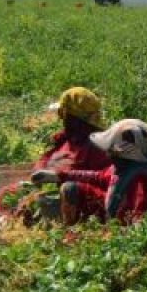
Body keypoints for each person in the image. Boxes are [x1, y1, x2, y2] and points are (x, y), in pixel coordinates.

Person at [32, 118, 147, 224]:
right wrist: (58, 175)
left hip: (127, 230)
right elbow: (98, 176)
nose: (108, 155)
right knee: (70, 188)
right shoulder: (123, 169)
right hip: (116, 215)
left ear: (128, 155)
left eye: (113, 152)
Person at [33, 86, 112, 224]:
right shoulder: (67, 138)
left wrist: (60, 176)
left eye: (63, 114)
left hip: (90, 206)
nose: (61, 119)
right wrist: (39, 172)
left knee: (70, 188)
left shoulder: (99, 146)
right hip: (60, 200)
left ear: (72, 118)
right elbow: (46, 158)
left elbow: (105, 180)